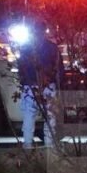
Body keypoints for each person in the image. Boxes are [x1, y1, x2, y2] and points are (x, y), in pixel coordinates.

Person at [17, 20, 63, 149]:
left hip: (31, 86)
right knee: (50, 116)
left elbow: (21, 67)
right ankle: (49, 145)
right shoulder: (52, 48)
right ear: (45, 32)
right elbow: (59, 69)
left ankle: (28, 145)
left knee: (29, 115)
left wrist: (24, 82)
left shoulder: (26, 47)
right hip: (47, 86)